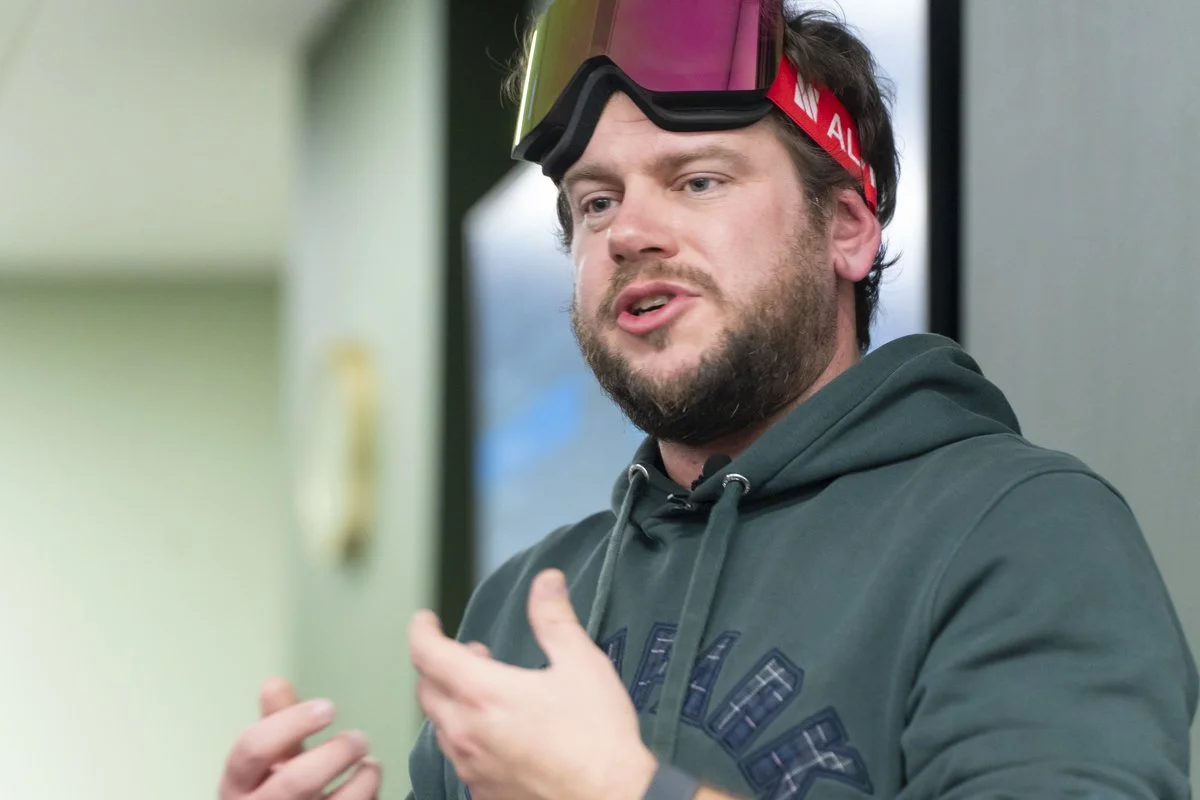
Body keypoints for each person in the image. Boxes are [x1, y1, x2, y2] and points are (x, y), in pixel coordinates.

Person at [218, 2, 1198, 799]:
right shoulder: (523, 603)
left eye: (695, 178)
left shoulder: (1020, 531)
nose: (628, 230)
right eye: (594, 202)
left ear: (848, 229)